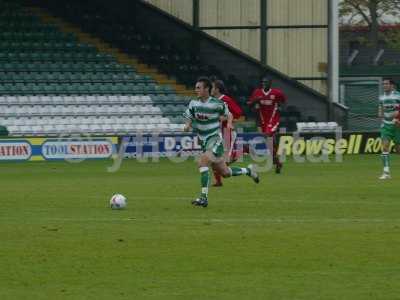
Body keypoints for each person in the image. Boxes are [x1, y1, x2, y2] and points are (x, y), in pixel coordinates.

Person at [183, 77, 260, 207]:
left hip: (215, 140)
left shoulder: (217, 103)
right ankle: (248, 171)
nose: (196, 90)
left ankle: (203, 198)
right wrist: (187, 125)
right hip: (203, 141)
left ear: (206, 89)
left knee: (202, 162)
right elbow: (189, 117)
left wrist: (229, 124)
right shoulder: (193, 104)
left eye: (198, 87)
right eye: (196, 87)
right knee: (225, 172)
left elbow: (229, 114)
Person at [247, 75, 287, 173]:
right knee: (267, 141)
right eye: (262, 82)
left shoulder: (277, 93)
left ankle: (275, 158)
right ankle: (277, 161)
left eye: (266, 82)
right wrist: (255, 102)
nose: (263, 84)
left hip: (273, 119)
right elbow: (249, 104)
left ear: (270, 83)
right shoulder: (257, 92)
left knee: (267, 136)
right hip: (262, 121)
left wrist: (281, 108)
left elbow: (284, 101)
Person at [210, 79, 245, 187]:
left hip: (226, 132)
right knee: (213, 158)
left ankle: (241, 151)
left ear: (217, 89)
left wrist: (225, 118)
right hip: (215, 133)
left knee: (224, 162)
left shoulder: (226, 100)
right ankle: (218, 181)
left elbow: (238, 113)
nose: (210, 89)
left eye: (212, 87)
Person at [378, 78, 400, 179]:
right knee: (385, 147)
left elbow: (398, 110)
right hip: (386, 125)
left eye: (386, 84)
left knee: (398, 150)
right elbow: (381, 109)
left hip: (397, 125)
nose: (384, 86)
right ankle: (386, 172)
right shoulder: (381, 97)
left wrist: (397, 117)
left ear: (392, 85)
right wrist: (381, 118)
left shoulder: (397, 95)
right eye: (383, 84)